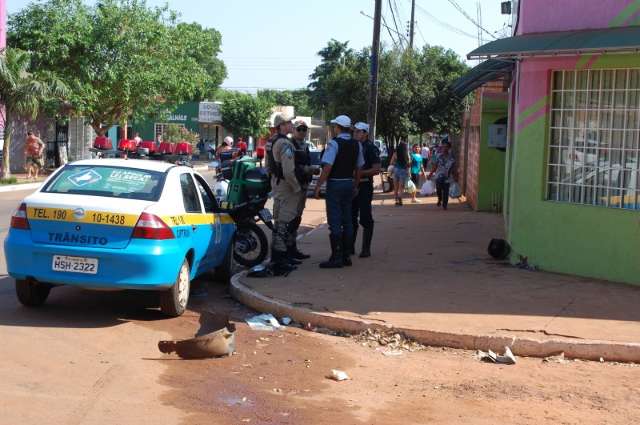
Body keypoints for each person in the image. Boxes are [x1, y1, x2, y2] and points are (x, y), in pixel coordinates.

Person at [314, 115, 364, 268]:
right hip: (349, 184)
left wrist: (318, 185)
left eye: (335, 126)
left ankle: (336, 257)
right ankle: (346, 256)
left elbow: (327, 167)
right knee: (348, 220)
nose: (334, 128)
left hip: (335, 185)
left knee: (335, 221)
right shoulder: (357, 145)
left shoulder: (334, 144)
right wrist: (355, 184)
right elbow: (359, 167)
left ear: (338, 127)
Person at [265, 113, 300, 275]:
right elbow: (288, 170)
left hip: (276, 184)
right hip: (286, 187)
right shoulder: (285, 143)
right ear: (281, 125)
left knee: (279, 221)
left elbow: (267, 167)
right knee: (284, 224)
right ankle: (280, 261)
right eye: (288, 123)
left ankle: (279, 258)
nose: (291, 125)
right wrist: (296, 187)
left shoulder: (271, 141)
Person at [351, 122, 380, 258]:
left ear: (366, 133)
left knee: (365, 218)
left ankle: (366, 249)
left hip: (364, 186)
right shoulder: (352, 145)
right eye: (354, 131)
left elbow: (376, 169)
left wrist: (359, 174)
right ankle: (349, 247)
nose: (355, 133)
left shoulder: (371, 148)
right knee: (350, 218)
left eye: (358, 131)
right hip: (351, 186)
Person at [288, 119, 316, 261]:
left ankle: (293, 249)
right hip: (293, 187)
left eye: (304, 129)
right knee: (290, 219)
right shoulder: (290, 145)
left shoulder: (304, 145)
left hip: (303, 185)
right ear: (293, 130)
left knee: (297, 218)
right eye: (299, 129)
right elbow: (290, 167)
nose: (302, 132)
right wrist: (309, 169)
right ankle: (288, 250)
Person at [428, 139, 456, 210]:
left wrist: (455, 175)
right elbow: (435, 166)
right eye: (443, 147)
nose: (444, 148)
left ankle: (445, 205)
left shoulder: (452, 157)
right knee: (438, 190)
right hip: (438, 176)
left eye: (446, 147)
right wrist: (430, 174)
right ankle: (440, 199)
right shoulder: (438, 156)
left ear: (449, 148)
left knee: (446, 191)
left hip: (447, 177)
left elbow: (453, 168)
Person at [389, 140, 410, 206]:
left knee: (396, 187)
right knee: (401, 187)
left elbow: (391, 162)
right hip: (403, 171)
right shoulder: (406, 154)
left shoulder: (395, 153)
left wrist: (396, 164)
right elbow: (409, 164)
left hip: (396, 170)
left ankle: (396, 200)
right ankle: (400, 198)